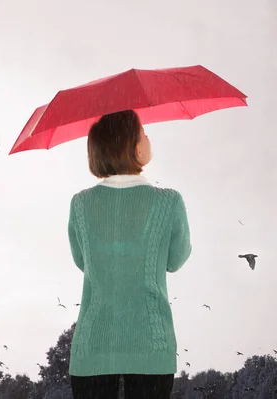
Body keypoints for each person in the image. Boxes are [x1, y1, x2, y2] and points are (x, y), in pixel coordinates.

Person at [67, 109, 192, 399]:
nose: (149, 138)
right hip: (152, 345)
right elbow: (176, 260)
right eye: (144, 133)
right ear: (135, 149)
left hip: (92, 348)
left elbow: (82, 261)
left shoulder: (80, 204)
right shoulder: (169, 201)